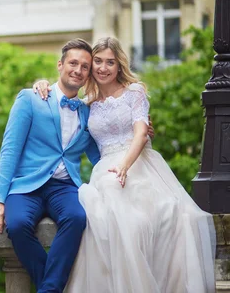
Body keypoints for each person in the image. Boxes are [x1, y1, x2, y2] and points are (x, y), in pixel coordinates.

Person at [32, 37, 216, 292]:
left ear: (119, 66)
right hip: (106, 167)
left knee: (160, 217)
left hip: (138, 163)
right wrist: (42, 85)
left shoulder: (135, 92)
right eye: (97, 61)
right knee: (102, 214)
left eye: (111, 62)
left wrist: (125, 166)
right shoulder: (87, 105)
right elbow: (66, 107)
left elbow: (140, 133)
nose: (103, 68)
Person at [0, 38, 102, 293]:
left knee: (77, 217)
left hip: (64, 186)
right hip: (27, 185)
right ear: (60, 65)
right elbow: (10, 150)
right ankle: (52, 287)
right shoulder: (30, 98)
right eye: (73, 63)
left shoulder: (87, 112)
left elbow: (100, 156)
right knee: (15, 225)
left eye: (84, 67)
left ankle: (48, 290)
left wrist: (138, 140)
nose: (78, 70)